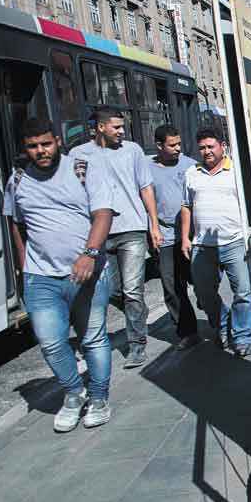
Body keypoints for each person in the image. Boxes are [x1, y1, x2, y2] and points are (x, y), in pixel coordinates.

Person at [5, 118, 115, 431]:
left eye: (45, 144)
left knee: (92, 339)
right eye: (32, 146)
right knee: (50, 342)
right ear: (25, 148)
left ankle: (99, 398)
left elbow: (103, 214)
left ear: (57, 141)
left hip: (88, 272)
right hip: (41, 277)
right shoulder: (18, 178)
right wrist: (25, 263)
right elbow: (17, 223)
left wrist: (90, 254)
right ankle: (74, 393)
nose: (40, 151)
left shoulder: (84, 169)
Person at [71, 108, 161, 369]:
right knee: (110, 290)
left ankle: (137, 345)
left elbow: (146, 187)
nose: (122, 132)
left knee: (133, 290)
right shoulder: (78, 155)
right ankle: (138, 312)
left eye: (122, 127)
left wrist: (153, 224)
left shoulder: (132, 150)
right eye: (116, 127)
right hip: (99, 234)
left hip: (131, 228)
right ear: (100, 127)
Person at [180, 129, 251, 356]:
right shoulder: (192, 172)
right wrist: (185, 237)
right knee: (203, 293)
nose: (207, 151)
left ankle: (241, 336)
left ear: (222, 146)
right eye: (202, 148)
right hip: (202, 245)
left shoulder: (236, 171)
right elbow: (186, 206)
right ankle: (222, 325)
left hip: (234, 242)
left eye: (211, 146)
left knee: (242, 292)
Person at [150, 125, 200, 351]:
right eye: (172, 145)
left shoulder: (190, 165)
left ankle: (218, 320)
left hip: (190, 235)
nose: (178, 148)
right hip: (165, 236)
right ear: (159, 146)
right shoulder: (146, 168)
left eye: (179, 144)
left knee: (200, 281)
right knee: (172, 287)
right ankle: (187, 332)